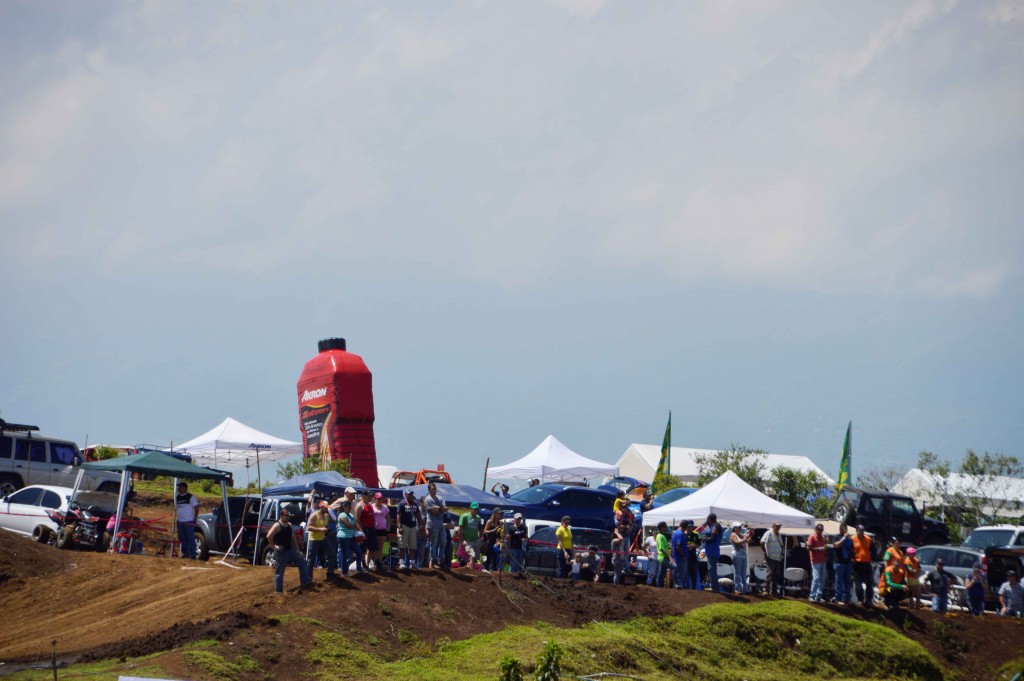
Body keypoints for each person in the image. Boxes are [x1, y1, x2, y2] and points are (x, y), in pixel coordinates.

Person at [266, 507, 311, 593]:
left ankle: (305, 583)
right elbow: (269, 536)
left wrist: (298, 550)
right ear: (281, 516)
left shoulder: (289, 525)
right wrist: (274, 547)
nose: (288, 517)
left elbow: (293, 538)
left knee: (303, 563)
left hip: (291, 550)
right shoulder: (277, 526)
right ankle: (278, 592)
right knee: (280, 572)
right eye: (286, 515)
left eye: (288, 515)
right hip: (281, 552)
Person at [305, 501, 335, 580]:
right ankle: (308, 578)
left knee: (332, 554)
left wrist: (327, 530)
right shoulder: (314, 515)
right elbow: (309, 527)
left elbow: (325, 526)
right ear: (321, 507)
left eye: (326, 508)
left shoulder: (326, 516)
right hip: (314, 539)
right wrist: (320, 529)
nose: (326, 509)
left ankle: (330, 573)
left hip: (322, 538)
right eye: (325, 507)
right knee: (311, 560)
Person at [422, 482, 448, 569]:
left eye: (435, 488)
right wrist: (441, 509)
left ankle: (441, 561)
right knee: (434, 544)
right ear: (429, 490)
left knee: (443, 542)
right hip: (432, 525)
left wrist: (439, 508)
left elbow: (446, 508)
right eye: (433, 489)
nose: (434, 490)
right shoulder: (428, 499)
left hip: (440, 525)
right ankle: (434, 561)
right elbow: (434, 512)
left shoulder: (440, 498)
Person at [396, 490, 421, 571]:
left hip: (413, 526)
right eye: (409, 494)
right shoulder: (402, 503)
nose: (411, 495)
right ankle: (401, 562)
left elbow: (418, 516)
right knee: (402, 545)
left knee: (413, 546)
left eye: (412, 494)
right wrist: (399, 526)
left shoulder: (415, 504)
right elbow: (399, 516)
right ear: (406, 494)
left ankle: (412, 563)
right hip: (404, 526)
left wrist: (420, 526)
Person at [850, 525, 874, 608]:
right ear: (856, 531)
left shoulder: (868, 539)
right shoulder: (852, 539)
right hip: (857, 564)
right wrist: (851, 558)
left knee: (869, 584)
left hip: (867, 564)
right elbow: (849, 550)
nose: (861, 533)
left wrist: (873, 558)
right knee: (858, 585)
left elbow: (873, 550)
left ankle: (869, 600)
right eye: (860, 531)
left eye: (863, 531)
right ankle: (860, 599)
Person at [335, 499, 360, 575]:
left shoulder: (351, 515)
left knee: (359, 552)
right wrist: (355, 527)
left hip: (351, 537)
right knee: (345, 555)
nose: (350, 508)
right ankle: (344, 572)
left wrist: (361, 532)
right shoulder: (342, 515)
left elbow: (355, 524)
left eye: (350, 507)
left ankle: (358, 569)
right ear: (344, 507)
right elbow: (347, 525)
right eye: (349, 507)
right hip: (344, 537)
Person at [175, 482, 200, 560]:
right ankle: (185, 553)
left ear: (185, 488)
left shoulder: (190, 497)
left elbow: (197, 507)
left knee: (190, 537)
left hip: (188, 521)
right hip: (180, 521)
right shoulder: (178, 497)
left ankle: (193, 554)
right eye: (178, 487)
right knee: (182, 537)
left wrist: (195, 517)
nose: (178, 488)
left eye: (180, 487)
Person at [458, 502, 485, 571]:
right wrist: (462, 539)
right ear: (470, 508)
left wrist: (481, 537)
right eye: (475, 509)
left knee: (475, 557)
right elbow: (460, 528)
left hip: (476, 540)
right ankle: (471, 571)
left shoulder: (478, 517)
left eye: (477, 509)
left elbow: (480, 528)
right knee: (472, 556)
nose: (476, 510)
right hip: (467, 541)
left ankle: (470, 569)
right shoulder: (464, 516)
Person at [700, 513, 723, 592]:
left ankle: (715, 589)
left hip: (713, 551)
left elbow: (712, 538)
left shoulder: (715, 526)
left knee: (711, 570)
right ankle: (714, 587)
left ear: (709, 519)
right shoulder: (714, 526)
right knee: (711, 570)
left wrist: (704, 539)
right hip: (712, 551)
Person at [761, 521, 785, 597]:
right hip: (770, 557)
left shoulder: (779, 535)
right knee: (770, 573)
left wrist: (782, 552)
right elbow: (762, 542)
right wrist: (765, 552)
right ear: (773, 526)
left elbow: (781, 544)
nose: (778, 528)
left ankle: (774, 591)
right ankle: (765, 590)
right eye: (777, 526)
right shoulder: (768, 533)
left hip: (777, 557)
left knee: (776, 574)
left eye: (779, 526)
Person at [832, 522, 853, 605]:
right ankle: (838, 598)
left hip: (848, 563)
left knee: (847, 581)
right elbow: (837, 545)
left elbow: (851, 549)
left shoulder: (849, 538)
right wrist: (844, 537)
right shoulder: (836, 537)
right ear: (840, 529)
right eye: (843, 529)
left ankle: (847, 598)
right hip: (839, 563)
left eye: (846, 529)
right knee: (839, 581)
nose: (844, 530)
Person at [807, 523, 828, 603]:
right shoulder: (812, 536)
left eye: (821, 529)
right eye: (819, 529)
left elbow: (825, 548)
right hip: (815, 561)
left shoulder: (823, 537)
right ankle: (812, 595)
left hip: (823, 560)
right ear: (816, 529)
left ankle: (818, 596)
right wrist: (820, 548)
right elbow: (808, 548)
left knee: (822, 578)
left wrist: (825, 550)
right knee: (816, 578)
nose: (820, 531)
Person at [730, 522, 751, 594]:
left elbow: (748, 541)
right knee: (737, 572)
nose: (740, 528)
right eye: (738, 527)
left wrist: (750, 535)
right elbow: (737, 543)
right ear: (734, 528)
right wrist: (746, 538)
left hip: (743, 555)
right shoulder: (733, 534)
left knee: (743, 572)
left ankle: (745, 589)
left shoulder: (742, 535)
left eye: (740, 527)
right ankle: (737, 589)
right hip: (736, 555)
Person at [505, 512, 528, 577]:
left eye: (520, 519)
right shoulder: (511, 527)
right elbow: (508, 537)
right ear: (514, 519)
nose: (519, 520)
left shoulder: (523, 527)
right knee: (513, 564)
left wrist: (525, 539)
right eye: (518, 519)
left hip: (521, 548)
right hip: (513, 547)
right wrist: (509, 548)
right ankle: (511, 576)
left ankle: (521, 577)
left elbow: (526, 537)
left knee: (520, 564)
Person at [481, 508, 504, 572]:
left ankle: (494, 572)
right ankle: (486, 571)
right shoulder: (490, 521)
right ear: (495, 514)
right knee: (489, 559)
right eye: (499, 513)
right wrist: (494, 530)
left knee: (495, 560)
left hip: (497, 543)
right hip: (490, 542)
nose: (500, 515)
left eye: (501, 514)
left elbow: (501, 533)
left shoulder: (501, 522)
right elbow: (485, 531)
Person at [672, 521, 690, 590]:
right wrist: (684, 556)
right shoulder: (680, 534)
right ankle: (678, 586)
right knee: (681, 573)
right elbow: (678, 546)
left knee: (678, 573)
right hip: (680, 558)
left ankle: (677, 585)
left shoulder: (675, 533)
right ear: (685, 527)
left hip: (677, 557)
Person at [685, 520, 701, 590]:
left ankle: (694, 588)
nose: (690, 528)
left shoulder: (696, 534)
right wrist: (687, 546)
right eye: (688, 527)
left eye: (691, 527)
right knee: (686, 573)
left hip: (693, 556)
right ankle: (686, 588)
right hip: (685, 557)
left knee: (693, 574)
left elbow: (699, 545)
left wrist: (693, 545)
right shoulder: (683, 534)